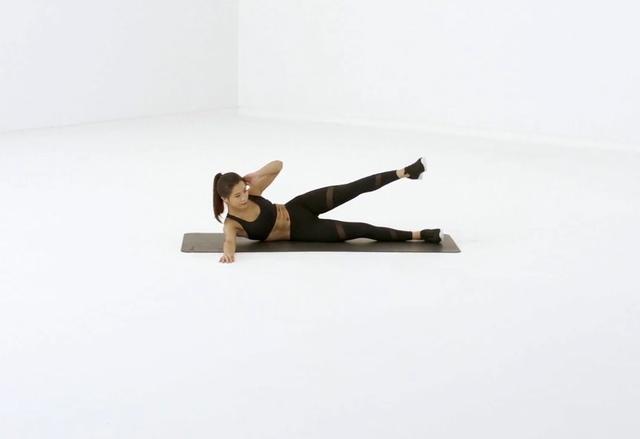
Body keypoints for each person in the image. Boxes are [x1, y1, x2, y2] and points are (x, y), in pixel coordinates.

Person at [213, 158, 443, 263]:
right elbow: (229, 242)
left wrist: (255, 175)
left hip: (298, 206)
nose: (244, 197)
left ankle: (406, 172)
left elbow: (278, 165)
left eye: (244, 191)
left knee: (351, 188)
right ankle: (421, 235)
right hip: (303, 230)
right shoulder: (232, 224)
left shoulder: (254, 192)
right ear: (225, 199)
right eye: (237, 196)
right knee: (362, 229)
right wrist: (228, 254)